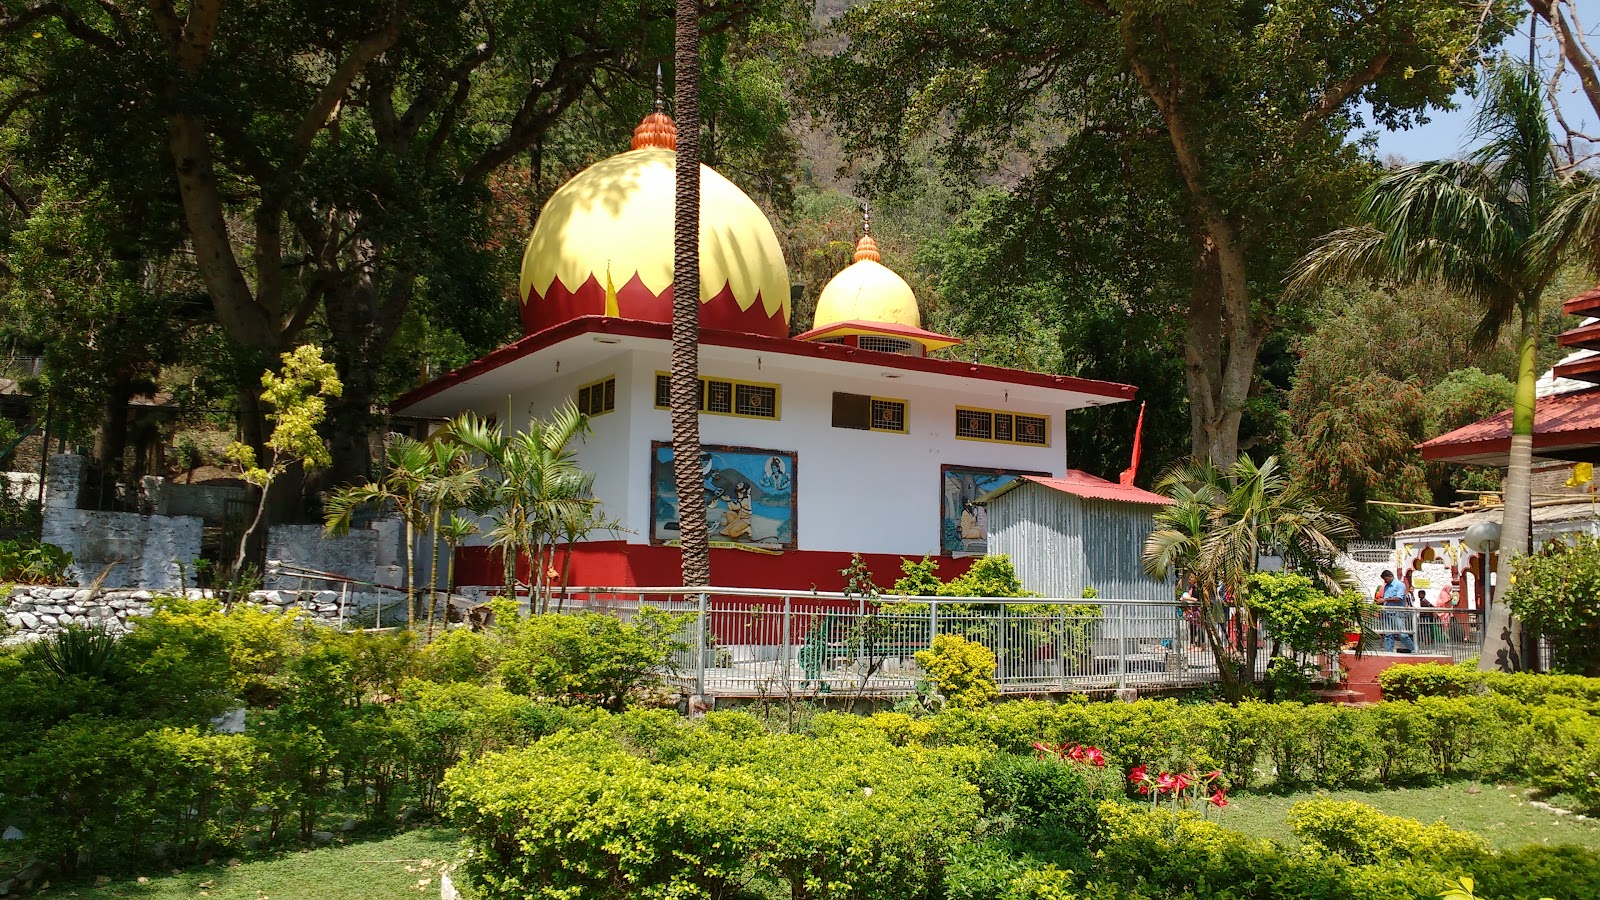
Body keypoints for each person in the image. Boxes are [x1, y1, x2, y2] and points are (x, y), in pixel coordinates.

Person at [1379, 570, 1416, 653]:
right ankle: (1388, 652)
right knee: (1388, 634)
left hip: (1397, 613)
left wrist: (1385, 599)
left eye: (1385, 579)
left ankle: (1413, 649)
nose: (1385, 581)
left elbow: (1399, 598)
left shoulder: (1400, 585)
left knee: (1402, 634)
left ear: (1390, 576)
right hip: (1387, 613)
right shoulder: (1386, 586)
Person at [1180, 576, 1205, 648]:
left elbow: (1195, 599)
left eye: (1191, 577)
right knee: (1192, 627)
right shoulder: (1191, 587)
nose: (1189, 579)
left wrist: (1186, 598)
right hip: (1191, 610)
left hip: (1197, 610)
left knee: (1199, 627)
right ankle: (1192, 643)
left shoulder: (1197, 588)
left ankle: (1202, 644)